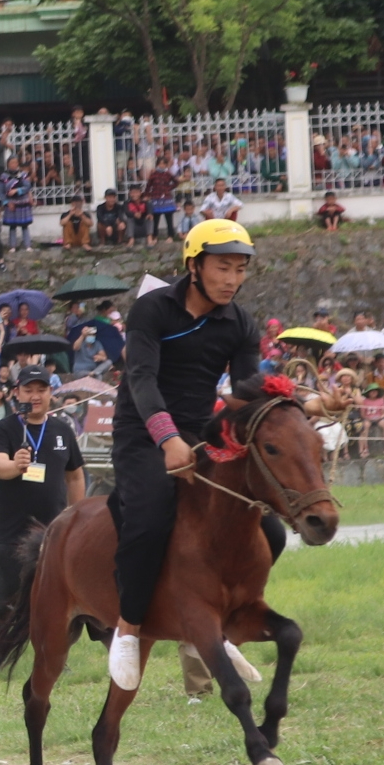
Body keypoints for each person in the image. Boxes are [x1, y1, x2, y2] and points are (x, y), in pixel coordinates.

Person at [106, 218, 275, 690]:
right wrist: (166, 438)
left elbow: (244, 391)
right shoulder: (152, 309)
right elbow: (140, 379)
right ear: (194, 265)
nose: (233, 279)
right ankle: (128, 626)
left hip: (201, 434)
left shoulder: (240, 321)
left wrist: (303, 399)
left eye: (241, 270)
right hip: (142, 432)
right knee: (149, 518)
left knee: (270, 527)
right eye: (223, 267)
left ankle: (221, 625)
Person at [0, 366, 85, 633]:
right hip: (13, 530)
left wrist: (77, 516)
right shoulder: (4, 429)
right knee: (7, 593)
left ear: (51, 393)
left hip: (54, 529)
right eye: (28, 390)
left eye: (41, 390)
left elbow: (75, 476)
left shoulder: (63, 431)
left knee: (57, 594)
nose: (35, 396)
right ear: (17, 393)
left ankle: (52, 650)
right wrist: (15, 465)